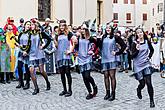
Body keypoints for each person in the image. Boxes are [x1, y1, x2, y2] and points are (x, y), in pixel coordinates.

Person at [97, 24, 126, 101]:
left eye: (109, 28)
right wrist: (98, 39)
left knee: (112, 76)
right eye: (106, 28)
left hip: (112, 58)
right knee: (105, 76)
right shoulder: (103, 37)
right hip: (104, 58)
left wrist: (117, 53)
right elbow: (100, 46)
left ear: (112, 29)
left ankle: (113, 94)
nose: (108, 29)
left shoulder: (115, 37)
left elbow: (124, 45)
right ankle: (107, 93)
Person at [131, 28, 155, 108]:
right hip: (137, 65)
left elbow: (152, 50)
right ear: (136, 35)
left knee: (149, 83)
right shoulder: (134, 43)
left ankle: (152, 101)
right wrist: (137, 50)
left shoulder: (147, 41)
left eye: (141, 32)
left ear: (143, 33)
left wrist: (149, 56)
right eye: (138, 33)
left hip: (146, 64)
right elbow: (131, 56)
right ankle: (139, 89)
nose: (140, 34)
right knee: (142, 83)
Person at [28, 19, 51, 95]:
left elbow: (49, 39)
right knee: (31, 71)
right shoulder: (29, 33)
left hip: (39, 54)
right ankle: (36, 88)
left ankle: (47, 82)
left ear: (36, 25)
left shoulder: (40, 33)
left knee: (41, 71)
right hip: (32, 54)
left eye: (32, 25)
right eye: (30, 25)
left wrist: (44, 47)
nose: (31, 26)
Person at [76, 24, 98, 99]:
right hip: (80, 59)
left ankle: (94, 86)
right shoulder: (78, 38)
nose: (82, 30)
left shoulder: (90, 38)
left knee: (87, 76)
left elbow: (97, 44)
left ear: (86, 30)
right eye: (81, 29)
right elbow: (75, 46)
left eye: (84, 29)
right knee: (84, 77)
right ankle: (90, 92)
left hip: (88, 58)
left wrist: (93, 52)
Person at [54, 19, 75, 97]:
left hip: (66, 55)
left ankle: (70, 90)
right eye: (60, 26)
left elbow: (74, 42)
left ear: (65, 26)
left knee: (67, 73)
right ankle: (64, 89)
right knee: (62, 74)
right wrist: (53, 39)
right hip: (59, 55)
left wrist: (70, 50)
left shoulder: (69, 33)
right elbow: (56, 45)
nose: (62, 27)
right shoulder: (57, 34)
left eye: (63, 25)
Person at [15, 21, 31, 90]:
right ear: (24, 25)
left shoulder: (30, 33)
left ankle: (27, 83)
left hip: (27, 51)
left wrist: (27, 51)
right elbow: (19, 41)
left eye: (29, 25)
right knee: (19, 67)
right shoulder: (21, 33)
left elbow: (31, 43)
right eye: (27, 24)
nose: (28, 26)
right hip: (21, 51)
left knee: (27, 68)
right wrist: (18, 44)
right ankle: (21, 82)